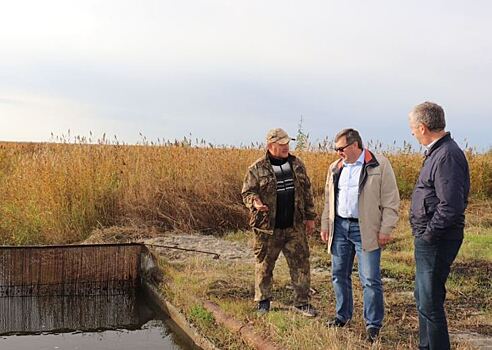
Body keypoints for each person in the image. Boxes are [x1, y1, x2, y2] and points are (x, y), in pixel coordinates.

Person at [320, 128, 400, 342]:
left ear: (355, 145)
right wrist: (325, 225)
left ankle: (373, 325)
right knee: (338, 275)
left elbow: (391, 201)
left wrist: (386, 229)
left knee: (370, 279)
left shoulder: (379, 165)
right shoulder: (335, 168)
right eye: (336, 149)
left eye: (341, 148)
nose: (338, 152)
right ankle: (342, 316)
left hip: (366, 229)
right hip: (339, 229)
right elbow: (329, 199)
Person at [408, 102, 470, 350]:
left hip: (437, 239)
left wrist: (428, 235)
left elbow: (451, 205)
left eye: (412, 128)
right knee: (424, 299)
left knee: (430, 302)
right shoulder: (439, 152)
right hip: (431, 238)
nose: (412, 132)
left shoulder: (447, 155)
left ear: (422, 127)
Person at [241, 128, 318, 317]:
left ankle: (302, 303)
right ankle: (263, 301)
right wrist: (255, 202)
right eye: (281, 144)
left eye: (287, 143)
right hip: (268, 228)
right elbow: (247, 193)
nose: (286, 147)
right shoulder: (257, 168)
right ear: (270, 146)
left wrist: (310, 217)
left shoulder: (297, 164)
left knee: (301, 263)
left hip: (294, 226)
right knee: (264, 265)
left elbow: (307, 192)